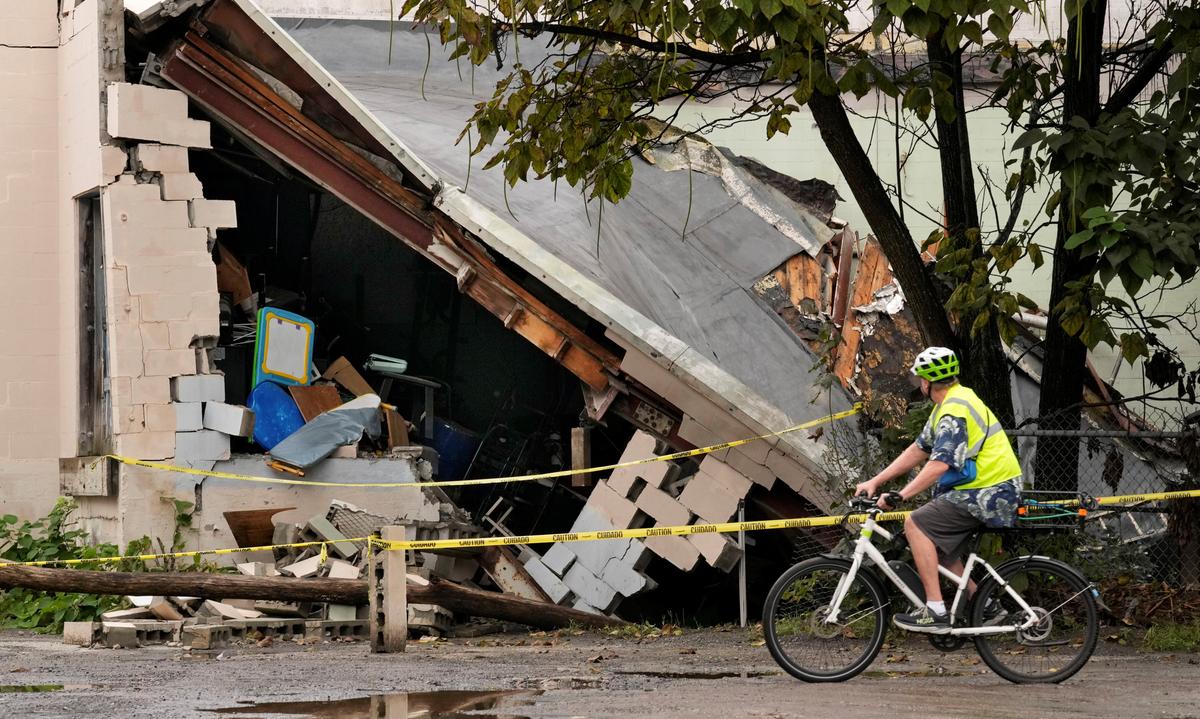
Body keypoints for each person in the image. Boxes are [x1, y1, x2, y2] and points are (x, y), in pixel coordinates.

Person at [855, 346, 1022, 633]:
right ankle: (984, 603)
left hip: (991, 493)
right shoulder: (950, 404)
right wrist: (875, 481)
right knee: (937, 545)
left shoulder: (954, 411)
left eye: (919, 378)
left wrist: (901, 496)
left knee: (916, 523)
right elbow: (919, 449)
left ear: (927, 382)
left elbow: (939, 464)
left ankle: (935, 610)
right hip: (985, 488)